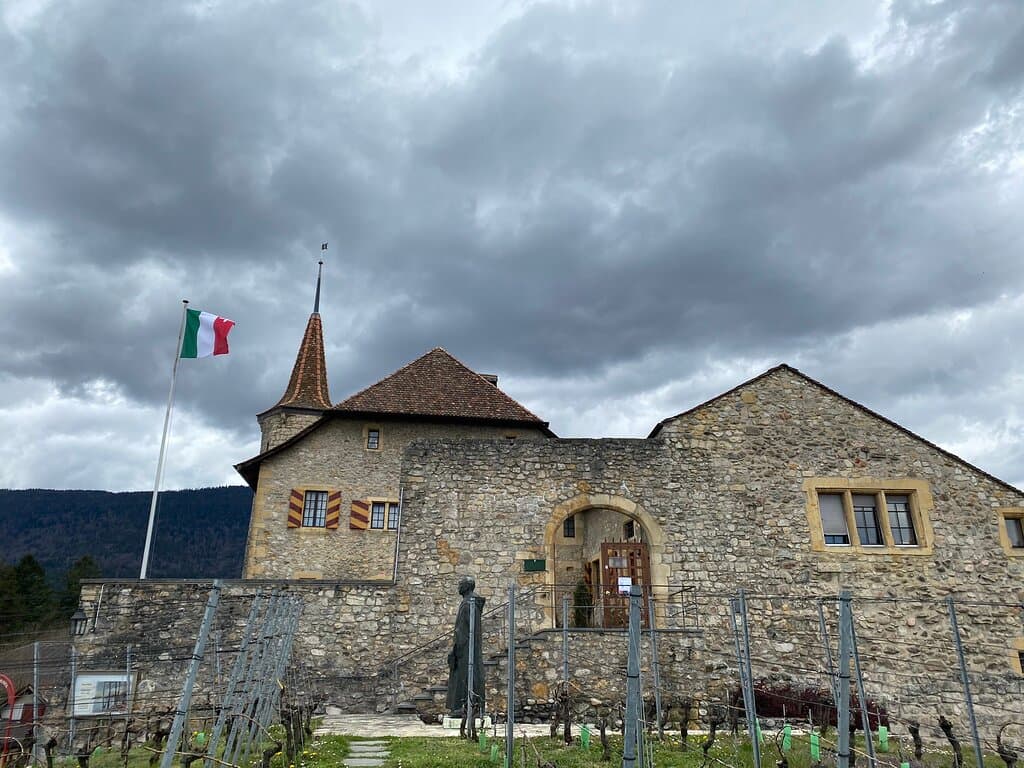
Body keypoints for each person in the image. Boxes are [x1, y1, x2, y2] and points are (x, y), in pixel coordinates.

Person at [445, 575, 485, 717]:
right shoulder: (468, 603)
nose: (458, 587)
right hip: (465, 647)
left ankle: (465, 707)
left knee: (464, 677)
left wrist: (455, 649)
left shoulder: (469, 604)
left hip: (465, 649)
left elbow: (463, 630)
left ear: (467, 586)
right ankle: (466, 707)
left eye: (460, 584)